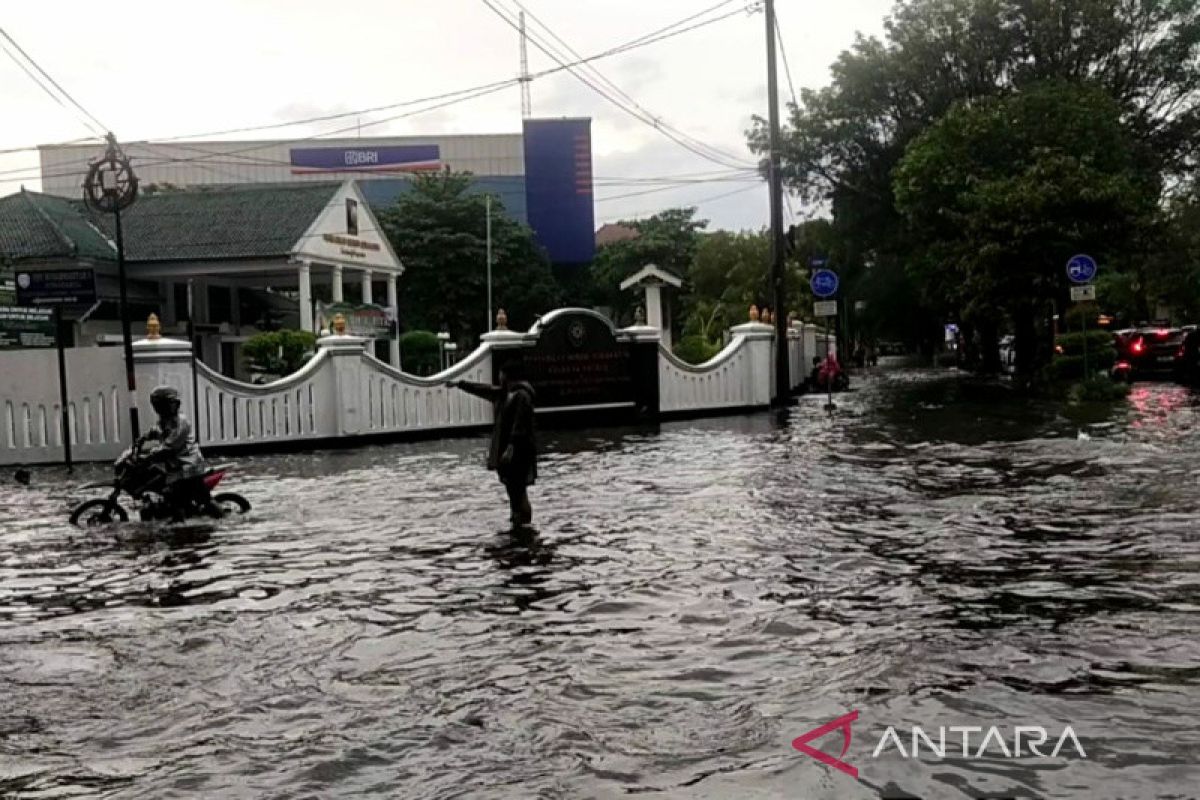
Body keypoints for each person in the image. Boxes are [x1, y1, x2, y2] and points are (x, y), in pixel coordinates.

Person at [448, 361, 537, 526]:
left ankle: (523, 521)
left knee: (518, 489)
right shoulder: (506, 394)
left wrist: (511, 446)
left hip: (518, 451)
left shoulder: (521, 395)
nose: (499, 377)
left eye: (501, 374)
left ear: (507, 376)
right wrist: (460, 384)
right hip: (510, 449)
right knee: (513, 489)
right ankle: (517, 518)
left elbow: (520, 423)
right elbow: (484, 390)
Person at [141, 385, 220, 518]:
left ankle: (222, 520)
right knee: (174, 498)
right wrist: (143, 438)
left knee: (196, 499)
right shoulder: (165, 420)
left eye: (168, 404)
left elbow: (170, 445)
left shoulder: (181, 422)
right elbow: (157, 431)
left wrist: (150, 455)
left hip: (189, 467)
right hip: (176, 467)